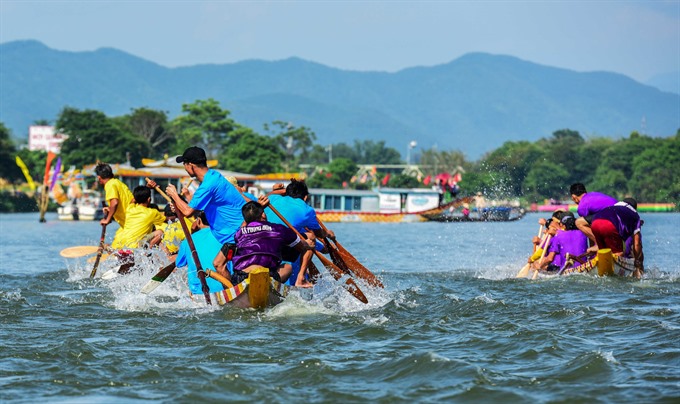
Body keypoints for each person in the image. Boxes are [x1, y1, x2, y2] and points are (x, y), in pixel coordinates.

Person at [213, 201, 315, 286]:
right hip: (267, 276)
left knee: (218, 263)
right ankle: (301, 278)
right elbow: (303, 247)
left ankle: (233, 290)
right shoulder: (279, 229)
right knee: (289, 266)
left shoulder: (239, 233)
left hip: (241, 277)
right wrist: (308, 243)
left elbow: (245, 225)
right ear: (263, 214)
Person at [162, 146, 246, 246]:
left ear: (190, 165)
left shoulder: (208, 184)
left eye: (184, 164)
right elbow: (195, 210)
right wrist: (178, 205)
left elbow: (188, 212)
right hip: (229, 235)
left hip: (234, 236)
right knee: (216, 262)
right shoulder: (213, 176)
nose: (184, 168)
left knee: (216, 262)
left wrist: (174, 195)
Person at [264, 178, 334, 287]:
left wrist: (277, 191)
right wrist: (327, 234)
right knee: (310, 238)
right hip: (283, 243)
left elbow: (268, 195)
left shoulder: (272, 198)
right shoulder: (307, 210)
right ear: (305, 197)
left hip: (264, 239)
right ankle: (301, 278)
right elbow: (319, 234)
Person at [175, 210, 226, 299]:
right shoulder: (225, 236)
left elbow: (179, 264)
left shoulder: (187, 241)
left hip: (199, 293)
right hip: (226, 289)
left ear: (198, 221)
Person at [590, 197, 644, 278]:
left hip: (594, 223)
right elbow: (637, 243)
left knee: (602, 252)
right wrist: (637, 261)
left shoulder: (611, 207)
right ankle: (612, 276)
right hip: (609, 225)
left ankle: (598, 273)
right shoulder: (634, 215)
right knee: (618, 253)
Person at [96, 163, 134, 244]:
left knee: (118, 247)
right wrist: (110, 209)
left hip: (131, 223)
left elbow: (115, 202)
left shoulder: (109, 185)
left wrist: (107, 219)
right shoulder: (117, 182)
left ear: (99, 178)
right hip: (130, 221)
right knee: (116, 244)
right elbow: (123, 203)